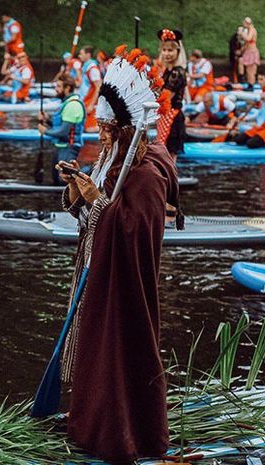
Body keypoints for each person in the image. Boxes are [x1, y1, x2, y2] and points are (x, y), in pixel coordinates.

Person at [57, 46, 181, 463]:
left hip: (124, 287)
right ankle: (90, 425)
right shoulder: (113, 162)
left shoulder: (146, 174)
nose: (100, 138)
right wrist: (79, 192)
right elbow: (96, 215)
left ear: (125, 129)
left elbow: (134, 232)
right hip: (99, 274)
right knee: (94, 354)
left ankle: (123, 435)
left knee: (118, 353)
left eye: (107, 131)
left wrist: (98, 203)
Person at [37, 75, 85, 185]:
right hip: (61, 146)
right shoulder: (66, 103)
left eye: (59, 86)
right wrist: (47, 119)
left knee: (63, 181)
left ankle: (86, 174)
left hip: (69, 148)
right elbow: (60, 125)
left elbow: (63, 132)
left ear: (67, 88)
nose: (56, 89)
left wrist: (45, 131)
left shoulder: (73, 105)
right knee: (56, 178)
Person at [154, 29, 187, 155]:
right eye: (164, 50)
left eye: (170, 50)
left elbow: (165, 97)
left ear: (178, 52)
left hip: (172, 118)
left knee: (169, 157)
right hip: (165, 117)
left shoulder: (177, 72)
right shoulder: (168, 71)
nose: (167, 53)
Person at [77, 46, 102, 132]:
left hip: (90, 102)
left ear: (88, 55)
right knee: (86, 127)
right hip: (85, 100)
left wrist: (91, 104)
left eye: (81, 53)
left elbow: (98, 87)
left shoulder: (93, 69)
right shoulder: (86, 67)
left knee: (89, 129)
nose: (79, 56)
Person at [239, 17, 260, 87]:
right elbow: (246, 42)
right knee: (248, 70)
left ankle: (251, 84)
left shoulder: (252, 30)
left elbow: (248, 38)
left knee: (251, 70)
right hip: (248, 51)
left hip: (252, 52)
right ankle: (249, 83)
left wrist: (242, 33)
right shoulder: (248, 30)